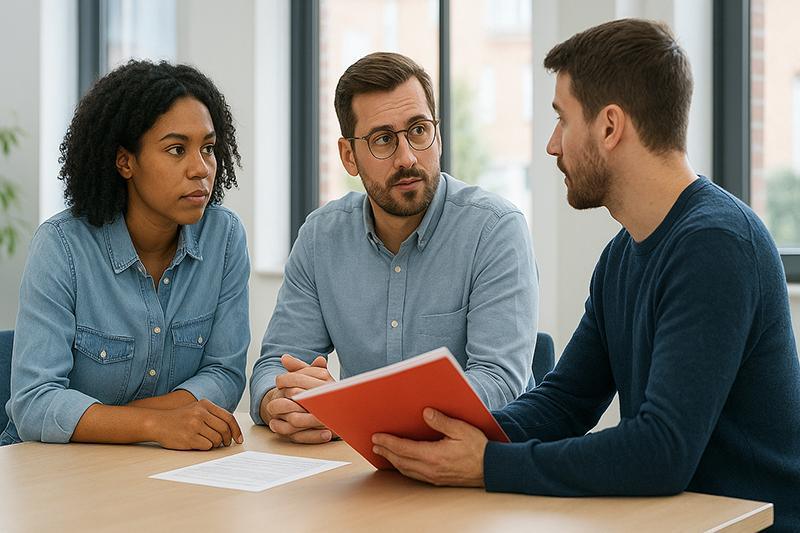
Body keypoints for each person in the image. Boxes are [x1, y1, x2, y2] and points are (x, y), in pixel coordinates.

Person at [371, 19, 800, 531]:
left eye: (562, 119)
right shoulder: (622, 254)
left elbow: (661, 451)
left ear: (610, 127)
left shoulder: (716, 245)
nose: (552, 145)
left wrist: (487, 463)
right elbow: (565, 402)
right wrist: (440, 438)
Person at [250, 52, 539, 443]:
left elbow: (498, 384)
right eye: (383, 140)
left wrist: (354, 412)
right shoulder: (321, 237)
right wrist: (281, 401)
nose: (407, 158)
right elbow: (275, 366)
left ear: (437, 135)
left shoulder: (494, 230)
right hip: (360, 468)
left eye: (419, 130)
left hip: (471, 466)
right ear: (349, 156)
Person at [1, 60, 249, 450]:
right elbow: (33, 403)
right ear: (125, 161)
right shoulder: (61, 246)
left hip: (157, 462)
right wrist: (153, 424)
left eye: (208, 148)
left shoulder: (225, 237)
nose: (201, 169)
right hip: (54, 467)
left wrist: (145, 425)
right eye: (177, 149)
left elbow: (224, 373)